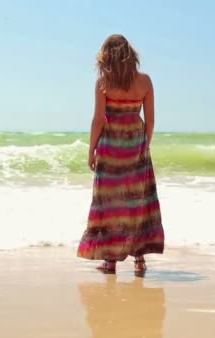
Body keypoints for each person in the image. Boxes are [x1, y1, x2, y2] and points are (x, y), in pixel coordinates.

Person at [77, 34, 165, 273]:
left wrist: (91, 150)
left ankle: (110, 261)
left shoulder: (103, 82)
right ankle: (139, 260)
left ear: (106, 56)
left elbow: (98, 120)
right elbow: (151, 120)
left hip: (110, 146)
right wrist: (143, 146)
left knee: (110, 202)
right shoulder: (145, 81)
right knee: (139, 200)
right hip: (136, 144)